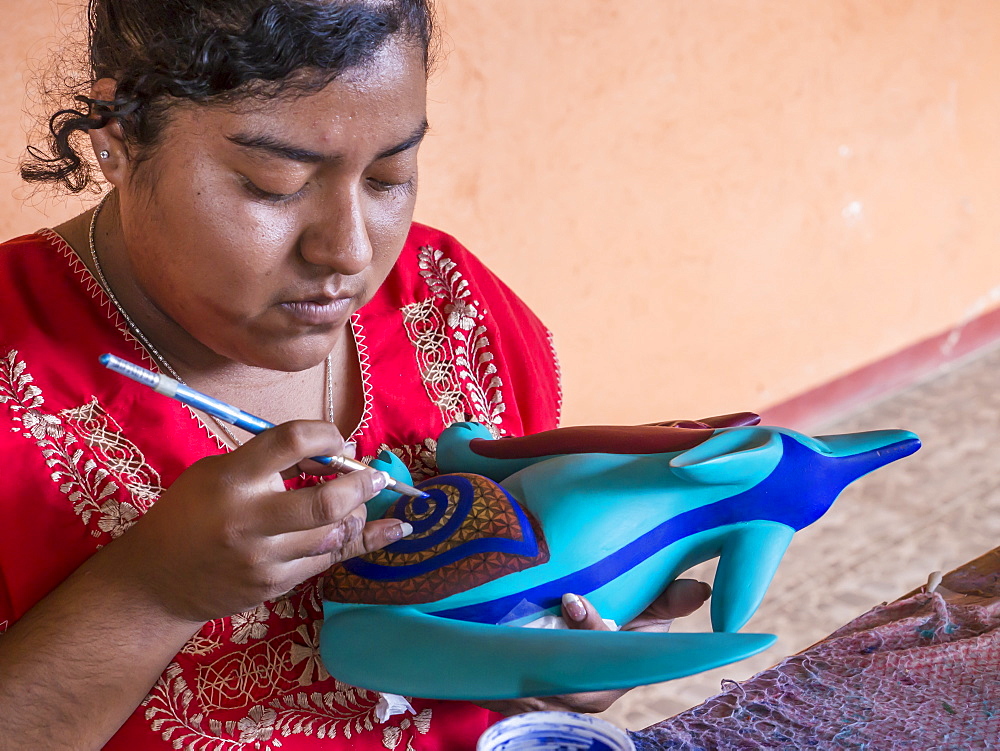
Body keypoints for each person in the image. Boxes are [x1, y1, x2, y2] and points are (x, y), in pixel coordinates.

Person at [0, 1, 713, 748]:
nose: (346, 251)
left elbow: (517, 626)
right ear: (119, 136)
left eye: (388, 176)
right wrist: (147, 594)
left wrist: (557, 651)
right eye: (275, 183)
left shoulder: (450, 305)